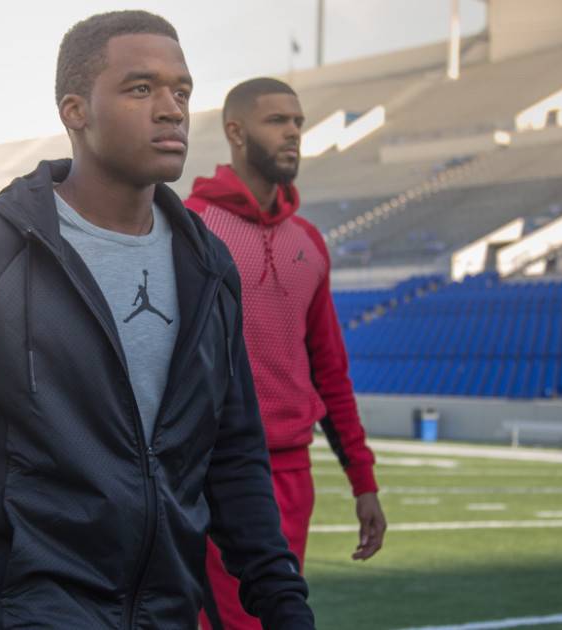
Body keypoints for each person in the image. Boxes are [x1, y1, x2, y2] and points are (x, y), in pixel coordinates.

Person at [0, 14, 313, 630]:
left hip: (167, 614)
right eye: (141, 89)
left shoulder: (207, 264)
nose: (172, 110)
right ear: (75, 111)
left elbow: (234, 454)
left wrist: (284, 605)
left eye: (182, 92)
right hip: (21, 614)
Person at [185, 77, 387, 630]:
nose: (293, 133)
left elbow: (330, 371)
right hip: (213, 472)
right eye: (277, 121)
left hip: (293, 476)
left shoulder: (309, 242)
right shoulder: (192, 227)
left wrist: (362, 482)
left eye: (297, 121)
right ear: (235, 131)